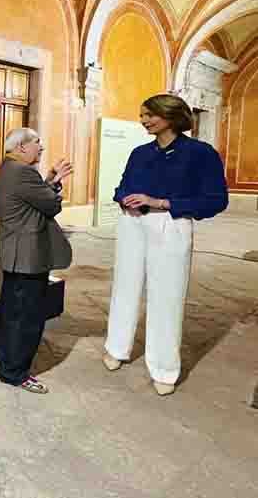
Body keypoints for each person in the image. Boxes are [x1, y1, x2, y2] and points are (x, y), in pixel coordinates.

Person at [104, 94, 228, 396]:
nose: (144, 120)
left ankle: (164, 368)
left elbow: (216, 200)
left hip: (171, 223)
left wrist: (161, 202)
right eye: (142, 114)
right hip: (132, 222)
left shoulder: (201, 153)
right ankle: (117, 348)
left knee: (167, 297)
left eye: (149, 115)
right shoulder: (139, 152)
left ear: (170, 116)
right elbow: (122, 185)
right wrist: (123, 198)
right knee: (124, 287)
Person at [0, 128, 73, 394]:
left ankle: (4, 355)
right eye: (37, 143)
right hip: (29, 255)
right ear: (21, 147)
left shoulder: (9, 168)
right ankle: (15, 373)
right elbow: (51, 205)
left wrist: (49, 179)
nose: (41, 148)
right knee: (27, 317)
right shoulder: (24, 172)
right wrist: (57, 183)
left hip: (16, 253)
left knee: (12, 310)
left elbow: (34, 197)